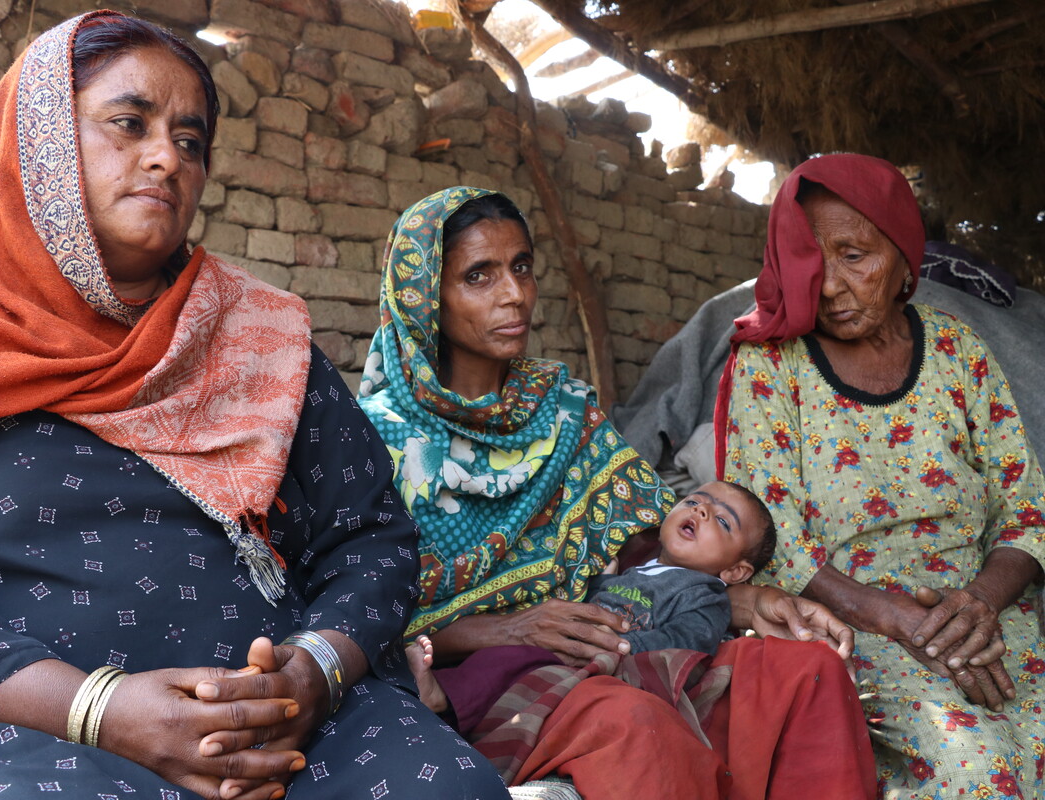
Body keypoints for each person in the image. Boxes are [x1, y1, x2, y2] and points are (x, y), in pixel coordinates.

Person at [0, 14, 509, 800]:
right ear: (40, 143)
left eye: (190, 141)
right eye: (129, 124)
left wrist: (315, 671)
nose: (167, 158)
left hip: (290, 727)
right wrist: (100, 708)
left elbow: (373, 540)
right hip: (33, 737)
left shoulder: (261, 338)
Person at [359, 186, 877, 799]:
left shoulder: (565, 408)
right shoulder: (378, 441)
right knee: (637, 728)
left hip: (611, 636)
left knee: (807, 673)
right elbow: (360, 616)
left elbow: (643, 542)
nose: (515, 294)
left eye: (522, 267)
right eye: (479, 276)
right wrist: (510, 628)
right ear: (424, 300)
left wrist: (745, 598)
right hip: (485, 673)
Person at [716, 153, 1045, 797]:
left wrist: (978, 603)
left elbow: (1026, 506)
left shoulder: (957, 350)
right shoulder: (772, 365)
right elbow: (770, 536)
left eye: (855, 255)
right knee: (978, 775)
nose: (831, 284)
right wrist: (896, 620)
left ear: (902, 256)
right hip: (855, 625)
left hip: (984, 616)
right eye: (812, 258)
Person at [587, 481, 777, 656]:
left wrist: (621, 645)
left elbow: (684, 644)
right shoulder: (639, 569)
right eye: (692, 501)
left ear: (735, 571)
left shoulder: (705, 599)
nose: (700, 509)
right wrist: (603, 582)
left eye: (723, 521)